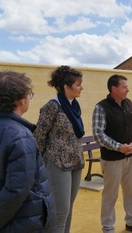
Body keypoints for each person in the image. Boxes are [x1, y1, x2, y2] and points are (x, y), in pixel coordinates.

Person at [0, 70, 56, 233]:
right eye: (30, 95)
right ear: (21, 101)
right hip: (24, 224)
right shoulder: (21, 137)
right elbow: (16, 190)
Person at [92, 74, 132, 233]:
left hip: (130, 157)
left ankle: (131, 222)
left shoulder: (128, 103)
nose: (127, 90)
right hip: (112, 160)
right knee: (110, 195)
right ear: (113, 89)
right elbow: (98, 134)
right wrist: (119, 147)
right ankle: (108, 228)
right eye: (124, 87)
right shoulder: (101, 107)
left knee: (131, 192)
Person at [34, 65, 85, 233]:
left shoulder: (74, 106)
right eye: (78, 85)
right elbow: (39, 136)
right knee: (60, 211)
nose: (81, 88)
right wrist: (39, 165)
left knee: (68, 208)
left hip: (75, 163)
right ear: (66, 87)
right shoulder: (52, 107)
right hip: (57, 163)